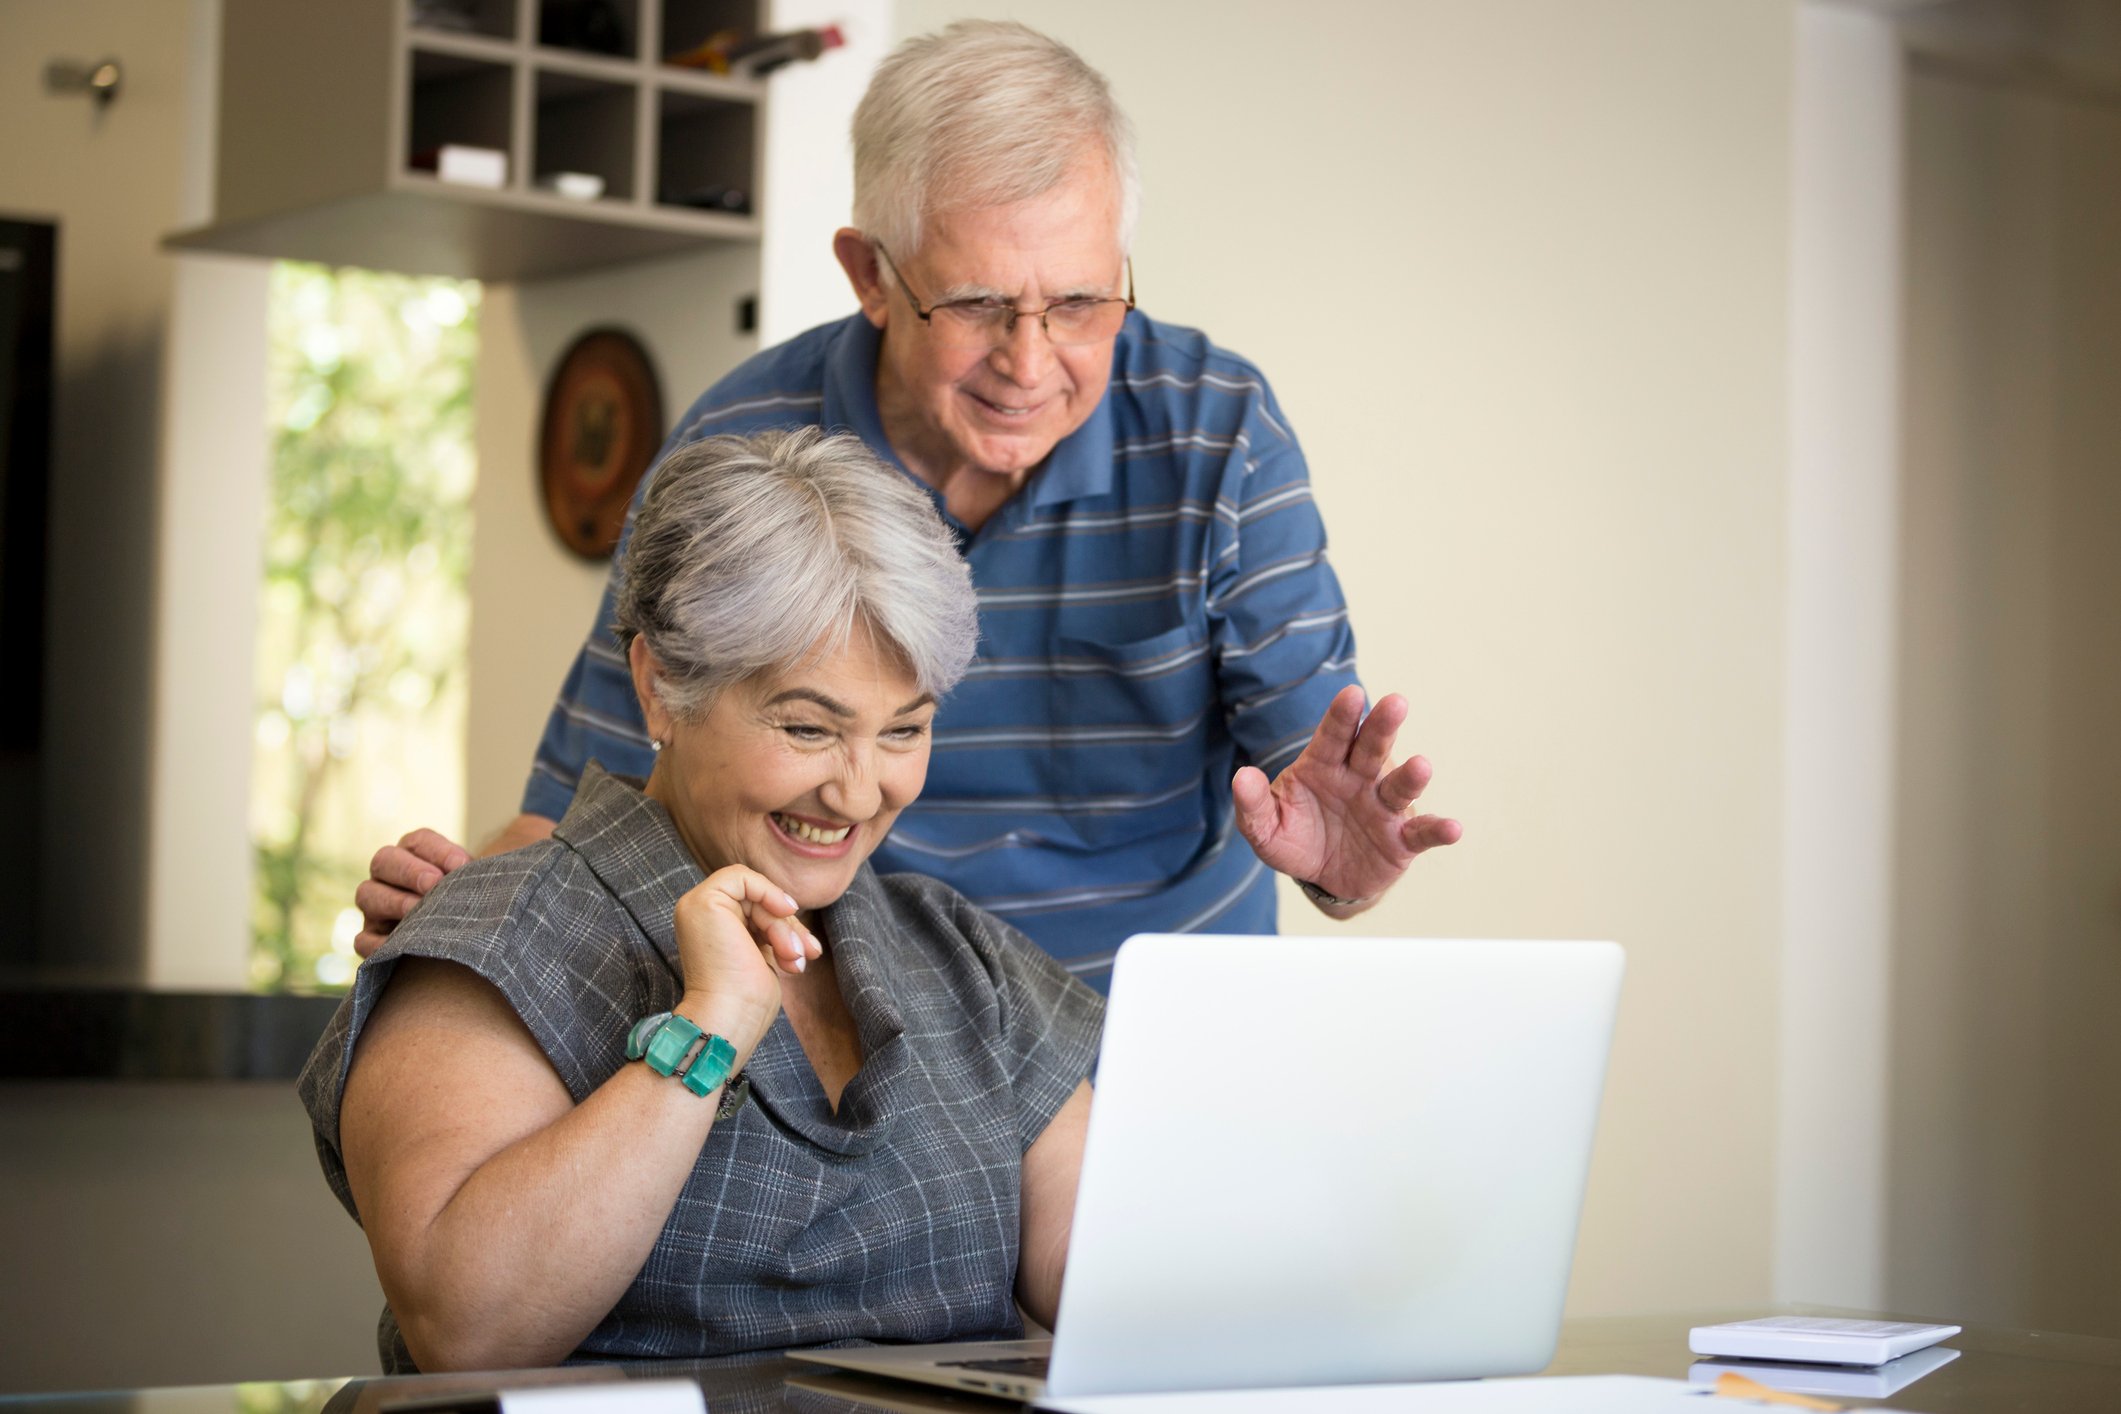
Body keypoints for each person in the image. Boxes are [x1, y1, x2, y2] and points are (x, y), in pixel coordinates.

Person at [356, 20, 1460, 982]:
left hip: (1153, 1041)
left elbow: (1313, 801)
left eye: (1079, 301)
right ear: (870, 276)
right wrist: (465, 915)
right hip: (866, 1051)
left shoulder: (1220, 433)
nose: (1031, 364)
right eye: (977, 304)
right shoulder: (745, 441)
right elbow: (594, 793)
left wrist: (1338, 870)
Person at [299, 430, 1103, 1372]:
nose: (856, 790)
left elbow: (1122, 1285)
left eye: (904, 730)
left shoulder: (954, 952)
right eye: (807, 727)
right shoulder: (488, 939)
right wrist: (710, 1024)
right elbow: (469, 1329)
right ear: (659, 688)